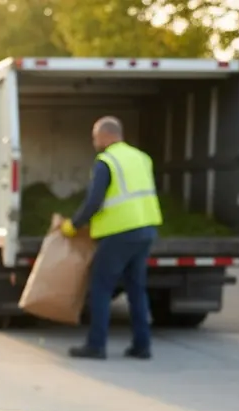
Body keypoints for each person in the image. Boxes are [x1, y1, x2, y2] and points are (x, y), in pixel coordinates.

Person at [59, 116, 162, 360]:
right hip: (146, 229)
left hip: (120, 233)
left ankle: (96, 346)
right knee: (137, 289)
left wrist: (73, 225)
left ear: (106, 136)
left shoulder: (106, 161)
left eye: (95, 137)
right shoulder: (141, 158)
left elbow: (94, 201)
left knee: (101, 288)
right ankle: (142, 345)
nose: (94, 142)